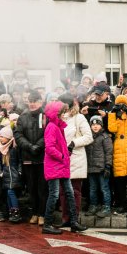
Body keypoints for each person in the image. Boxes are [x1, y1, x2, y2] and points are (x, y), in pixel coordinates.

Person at [40, 100, 88, 235]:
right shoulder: (52, 127)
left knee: (69, 193)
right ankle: (47, 224)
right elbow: (49, 148)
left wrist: (66, 154)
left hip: (61, 166)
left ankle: (73, 222)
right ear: (57, 114)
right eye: (63, 112)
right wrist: (62, 156)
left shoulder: (58, 126)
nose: (65, 115)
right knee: (55, 194)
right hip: (56, 166)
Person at [59, 93, 92, 227]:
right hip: (61, 158)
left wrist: (73, 143)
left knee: (75, 190)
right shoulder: (59, 118)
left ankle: (74, 219)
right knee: (62, 191)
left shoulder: (79, 118)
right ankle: (65, 218)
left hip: (76, 158)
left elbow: (89, 137)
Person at [15, 91, 47, 225]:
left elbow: (48, 133)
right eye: (30, 101)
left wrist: (38, 146)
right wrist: (29, 146)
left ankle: (42, 214)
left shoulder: (46, 116)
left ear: (40, 101)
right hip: (27, 156)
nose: (33, 103)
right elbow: (18, 134)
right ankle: (34, 212)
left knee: (42, 187)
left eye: (35, 101)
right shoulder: (22, 117)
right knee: (31, 187)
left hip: (42, 157)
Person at [0, 126, 22, 223]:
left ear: (8, 137)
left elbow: (20, 160)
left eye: (2, 136)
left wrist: (20, 171)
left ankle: (15, 212)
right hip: (5, 174)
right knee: (8, 193)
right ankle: (11, 212)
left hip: (13, 174)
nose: (0, 138)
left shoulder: (15, 148)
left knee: (10, 192)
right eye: (0, 136)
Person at [84, 115, 113, 217]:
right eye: (93, 124)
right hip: (91, 168)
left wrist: (108, 166)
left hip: (102, 168)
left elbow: (109, 153)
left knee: (104, 188)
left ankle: (107, 207)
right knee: (92, 188)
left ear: (101, 125)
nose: (95, 126)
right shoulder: (88, 137)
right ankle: (93, 205)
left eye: (97, 124)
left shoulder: (105, 137)